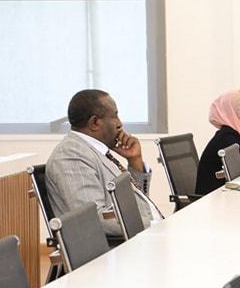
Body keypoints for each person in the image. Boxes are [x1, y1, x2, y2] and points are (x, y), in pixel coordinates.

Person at [47, 89, 159, 237]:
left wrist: (135, 161)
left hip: (141, 236)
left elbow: (137, 202)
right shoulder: (71, 156)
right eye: (115, 116)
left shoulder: (94, 151)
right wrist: (154, 225)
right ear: (94, 123)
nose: (120, 123)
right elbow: (92, 219)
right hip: (120, 246)